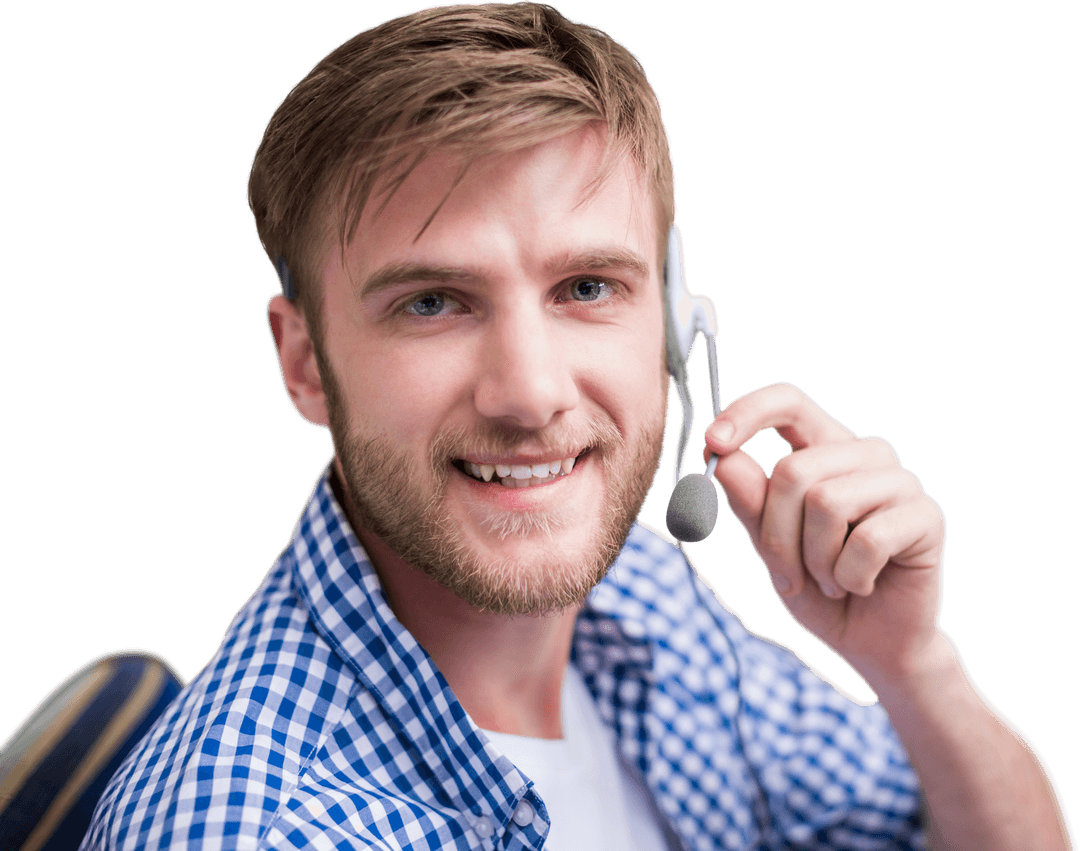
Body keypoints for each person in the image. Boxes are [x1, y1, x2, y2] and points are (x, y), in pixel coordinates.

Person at [81, 4, 1073, 850]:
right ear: (305, 364)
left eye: (587, 286)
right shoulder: (262, 826)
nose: (531, 393)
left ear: (674, 326)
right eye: (432, 302)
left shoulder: (641, 593)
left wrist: (912, 665)